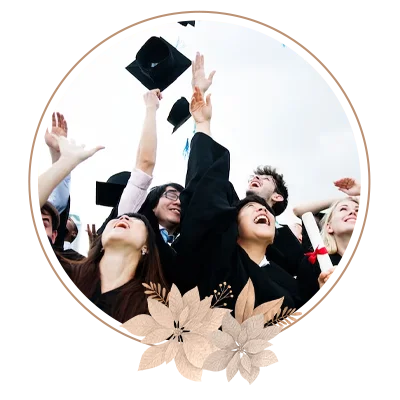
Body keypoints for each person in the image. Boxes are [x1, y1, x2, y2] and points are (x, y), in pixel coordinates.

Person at [170, 86, 334, 314]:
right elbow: (205, 195)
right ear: (232, 222)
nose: (263, 211)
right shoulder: (217, 259)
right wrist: (203, 125)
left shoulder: (291, 284)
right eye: (251, 207)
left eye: (265, 209)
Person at [58, 213, 169, 324]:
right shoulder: (63, 272)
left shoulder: (154, 311)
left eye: (135, 219)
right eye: (117, 218)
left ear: (147, 246)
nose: (123, 218)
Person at [319, 196, 360, 266]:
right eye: (343, 209)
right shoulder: (317, 261)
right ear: (329, 227)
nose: (353, 212)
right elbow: (298, 211)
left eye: (358, 210)